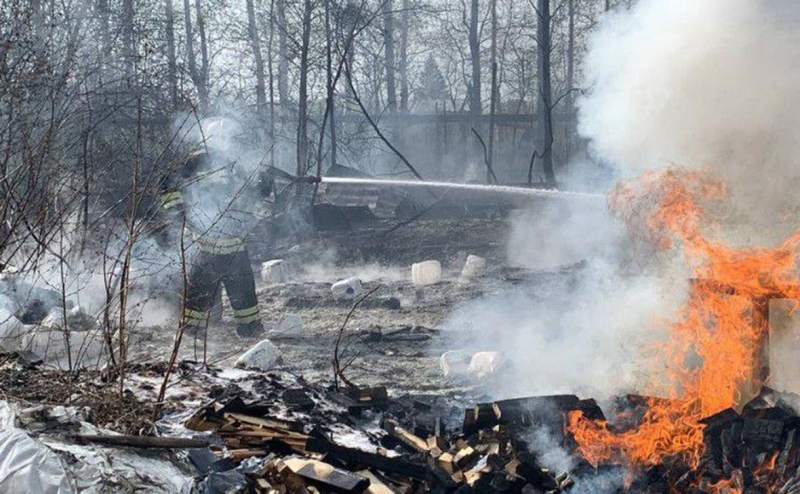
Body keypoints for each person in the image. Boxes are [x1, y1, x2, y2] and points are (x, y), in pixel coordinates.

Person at [160, 118, 269, 338]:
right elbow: (167, 184)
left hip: (234, 241)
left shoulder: (233, 163)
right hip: (204, 242)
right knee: (199, 292)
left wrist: (263, 187)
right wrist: (180, 214)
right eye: (230, 138)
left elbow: (247, 194)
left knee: (244, 291)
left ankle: (250, 329)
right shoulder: (193, 162)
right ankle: (192, 335)